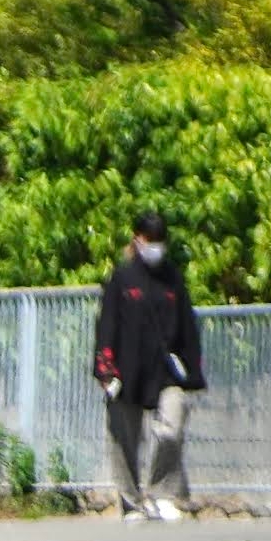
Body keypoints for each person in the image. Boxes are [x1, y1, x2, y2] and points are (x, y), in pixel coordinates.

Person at [92, 210, 203, 521]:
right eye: (149, 240)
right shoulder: (123, 278)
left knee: (172, 425)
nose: (155, 246)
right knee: (124, 438)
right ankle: (131, 501)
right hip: (127, 372)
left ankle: (161, 493)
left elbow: (187, 327)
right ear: (137, 240)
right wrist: (106, 369)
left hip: (166, 371)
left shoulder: (173, 280)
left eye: (160, 241)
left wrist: (192, 370)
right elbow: (107, 325)